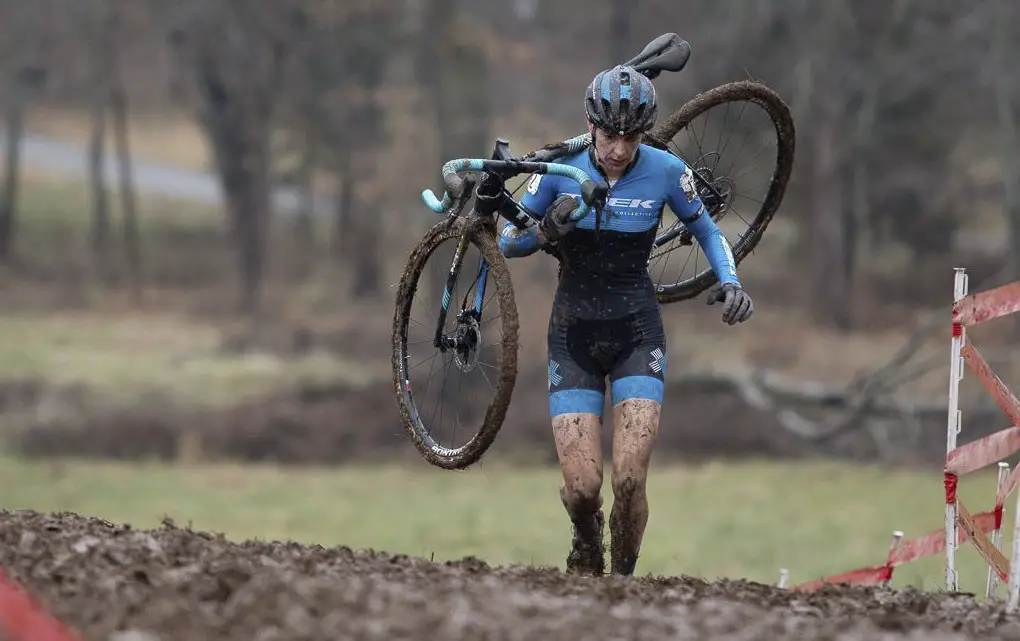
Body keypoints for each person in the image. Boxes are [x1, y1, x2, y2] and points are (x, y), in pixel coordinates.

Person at [496, 64, 755, 577]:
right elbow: (508, 241)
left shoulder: (664, 170)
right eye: (610, 134)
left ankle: (623, 586)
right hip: (573, 336)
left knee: (630, 479)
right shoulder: (561, 169)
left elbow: (707, 230)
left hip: (637, 332)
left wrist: (731, 280)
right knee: (582, 489)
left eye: (631, 136)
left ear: (643, 132)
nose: (619, 148)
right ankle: (585, 539)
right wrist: (547, 229)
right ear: (591, 125)